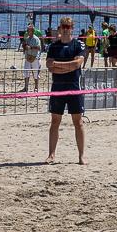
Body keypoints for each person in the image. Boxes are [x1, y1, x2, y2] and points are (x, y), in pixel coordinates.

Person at [44, 17, 85, 164]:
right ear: (60, 28)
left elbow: (78, 64)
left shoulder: (78, 45)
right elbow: (49, 66)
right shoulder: (54, 46)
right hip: (58, 87)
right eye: (64, 26)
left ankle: (81, 156)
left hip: (74, 87)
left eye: (68, 26)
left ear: (72, 28)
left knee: (78, 122)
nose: (66, 29)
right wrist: (70, 66)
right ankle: (51, 155)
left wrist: (58, 65)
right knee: (55, 121)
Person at [20, 24, 42, 93]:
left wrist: (31, 47)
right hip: (28, 57)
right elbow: (24, 47)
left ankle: (36, 88)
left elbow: (39, 48)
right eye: (27, 30)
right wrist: (24, 45)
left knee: (35, 74)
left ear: (32, 31)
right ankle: (26, 87)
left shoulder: (36, 39)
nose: (27, 32)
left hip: (35, 58)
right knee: (26, 73)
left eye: (29, 30)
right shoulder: (27, 39)